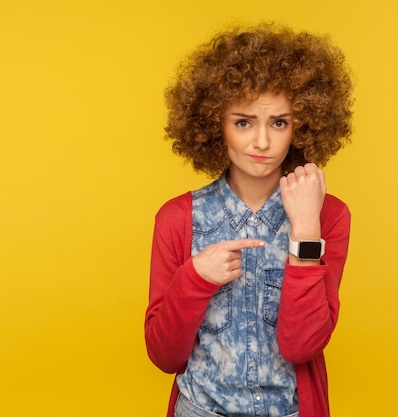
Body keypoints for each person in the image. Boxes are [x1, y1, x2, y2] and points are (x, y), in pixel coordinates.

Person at [145, 22, 354, 417]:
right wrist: (195, 278)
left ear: (302, 125)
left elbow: (302, 346)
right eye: (243, 122)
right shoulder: (177, 219)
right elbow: (163, 355)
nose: (262, 142)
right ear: (214, 125)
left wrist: (306, 231)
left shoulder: (329, 215)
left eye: (279, 122)